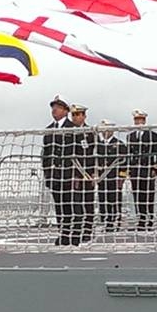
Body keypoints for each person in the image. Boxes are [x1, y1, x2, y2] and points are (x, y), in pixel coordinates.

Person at [41, 96, 78, 245]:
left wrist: (77, 175)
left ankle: (73, 234)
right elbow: (46, 154)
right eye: (53, 107)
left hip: (69, 174)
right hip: (55, 175)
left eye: (58, 107)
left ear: (65, 110)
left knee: (72, 204)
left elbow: (78, 154)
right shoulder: (49, 130)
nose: (54, 110)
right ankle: (63, 233)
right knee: (59, 205)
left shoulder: (73, 129)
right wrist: (47, 174)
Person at [125, 110, 157, 229]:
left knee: (148, 194)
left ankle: (150, 219)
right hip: (135, 168)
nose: (138, 122)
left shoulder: (152, 135)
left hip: (147, 167)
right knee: (137, 194)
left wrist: (154, 167)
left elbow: (156, 152)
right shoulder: (130, 136)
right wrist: (129, 169)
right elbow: (129, 154)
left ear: (144, 121)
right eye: (136, 120)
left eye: (140, 119)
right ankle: (141, 219)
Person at [68, 104, 97, 242]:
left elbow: (93, 154)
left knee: (88, 203)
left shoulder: (90, 132)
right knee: (76, 203)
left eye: (78, 115)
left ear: (84, 116)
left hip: (88, 173)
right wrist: (74, 174)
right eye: (73, 115)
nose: (75, 117)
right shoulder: (69, 132)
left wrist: (93, 173)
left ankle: (87, 230)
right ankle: (76, 230)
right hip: (74, 173)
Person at [93, 120, 125, 231]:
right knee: (103, 199)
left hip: (114, 177)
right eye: (103, 130)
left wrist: (121, 177)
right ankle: (105, 221)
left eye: (107, 129)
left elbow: (124, 163)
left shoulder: (119, 144)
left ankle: (115, 221)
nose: (105, 132)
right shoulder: (98, 145)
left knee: (114, 200)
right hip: (102, 178)